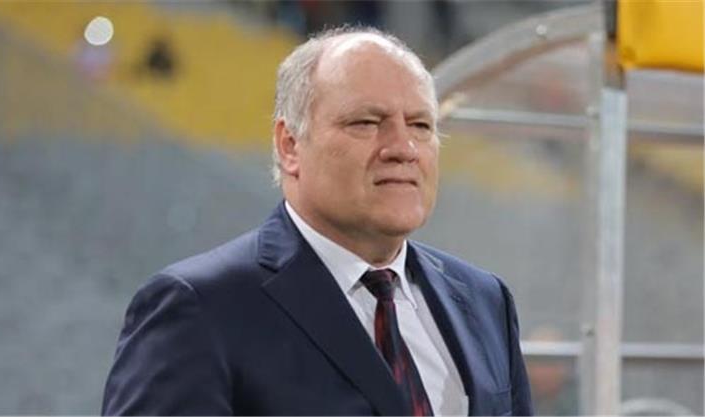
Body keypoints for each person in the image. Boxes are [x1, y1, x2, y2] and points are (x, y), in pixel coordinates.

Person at [101, 27, 533, 416]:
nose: (404, 148)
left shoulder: (485, 300)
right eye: (366, 122)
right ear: (289, 145)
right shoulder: (200, 308)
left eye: (421, 125)